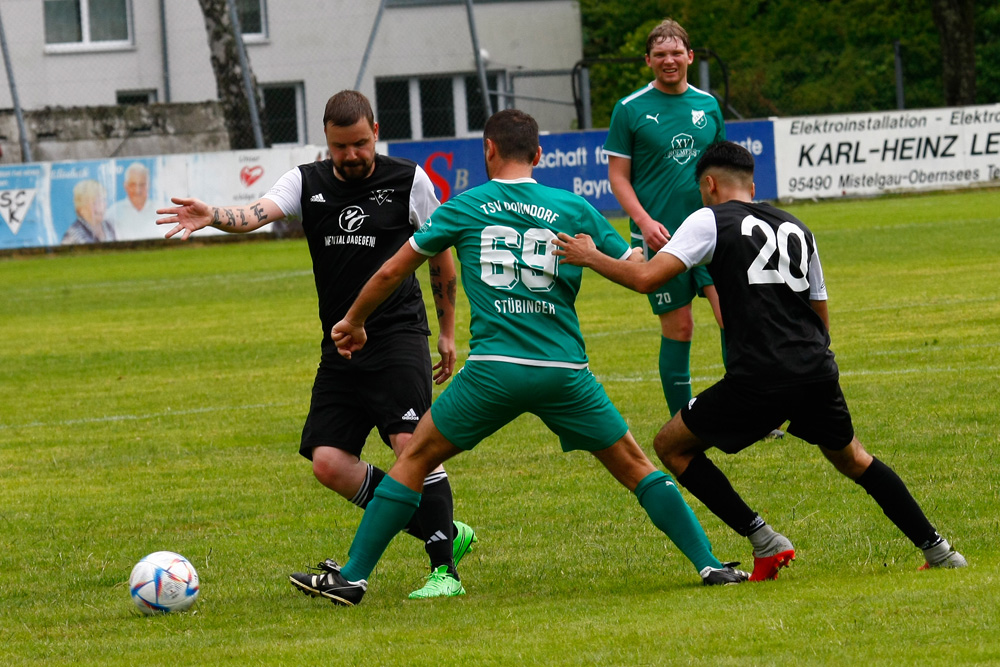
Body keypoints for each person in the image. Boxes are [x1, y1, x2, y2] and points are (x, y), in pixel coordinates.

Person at [295, 109, 748, 607]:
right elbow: (634, 265)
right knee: (637, 467)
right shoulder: (573, 208)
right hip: (564, 374)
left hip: (493, 372)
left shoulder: (464, 206)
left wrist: (354, 320)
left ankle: (354, 577)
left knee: (416, 460)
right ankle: (708, 563)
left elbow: (389, 273)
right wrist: (615, 254)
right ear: (538, 155)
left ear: (488, 150)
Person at [553, 140, 967, 580]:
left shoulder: (708, 219)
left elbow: (646, 278)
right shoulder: (797, 225)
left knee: (670, 447)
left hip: (760, 375)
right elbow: (819, 311)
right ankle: (939, 550)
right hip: (815, 367)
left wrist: (590, 256)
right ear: (752, 184)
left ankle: (765, 539)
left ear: (709, 184)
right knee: (854, 459)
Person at [156, 90, 477, 600]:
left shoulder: (408, 180)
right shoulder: (307, 180)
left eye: (360, 143)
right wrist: (213, 215)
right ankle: (442, 531)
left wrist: (446, 331)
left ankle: (444, 572)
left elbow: (439, 253)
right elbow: (257, 212)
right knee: (328, 461)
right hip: (341, 341)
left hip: (396, 334)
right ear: (325, 141)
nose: (350, 155)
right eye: (339, 146)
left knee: (411, 447)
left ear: (376, 131)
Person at [603, 18, 735, 425]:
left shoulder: (707, 104)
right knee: (679, 328)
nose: (669, 60)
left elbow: (724, 170)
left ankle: (749, 410)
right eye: (660, 54)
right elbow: (618, 177)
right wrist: (643, 222)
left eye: (676, 52)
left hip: (711, 230)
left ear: (690, 56)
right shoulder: (629, 109)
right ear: (648, 60)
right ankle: (684, 421)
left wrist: (731, 215)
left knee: (732, 316)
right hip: (661, 238)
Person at [109, 162, 157, 241]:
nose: (138, 191)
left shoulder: (160, 209)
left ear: (149, 185)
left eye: (142, 184)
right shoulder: (113, 213)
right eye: (133, 185)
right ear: (125, 186)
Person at [61, 179, 115, 245]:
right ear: (81, 208)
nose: (103, 206)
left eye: (103, 200)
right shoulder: (73, 234)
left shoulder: (108, 226)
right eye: (96, 202)